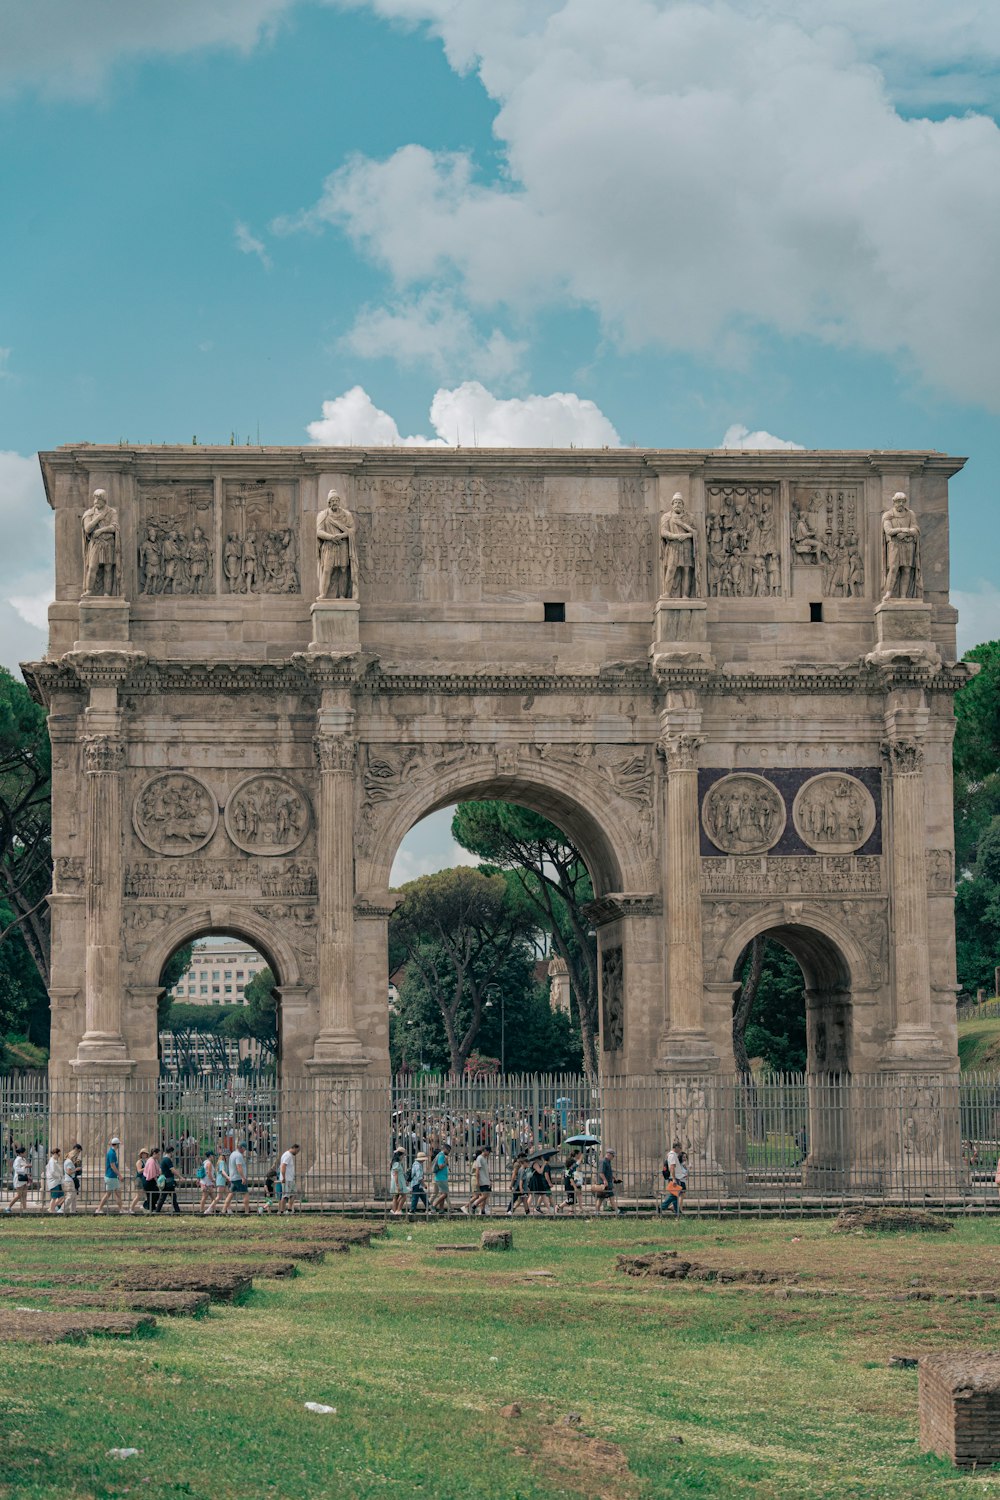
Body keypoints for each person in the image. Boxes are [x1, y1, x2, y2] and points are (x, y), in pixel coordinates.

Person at [94, 1136, 123, 1215]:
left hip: (110, 1176)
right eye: (118, 1144)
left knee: (115, 1193)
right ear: (116, 1145)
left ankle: (121, 1209)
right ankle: (99, 1209)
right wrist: (120, 1175)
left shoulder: (111, 1152)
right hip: (112, 1176)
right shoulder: (112, 1153)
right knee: (112, 1194)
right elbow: (112, 1166)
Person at [223, 1140, 250, 1215]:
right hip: (239, 1178)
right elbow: (239, 1167)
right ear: (242, 1148)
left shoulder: (232, 1154)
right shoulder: (238, 1155)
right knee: (245, 1193)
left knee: (231, 1194)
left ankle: (223, 1210)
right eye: (244, 1149)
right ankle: (247, 1211)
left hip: (233, 1178)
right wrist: (243, 1177)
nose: (244, 1151)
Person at [154, 1145, 181, 1214]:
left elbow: (160, 1170)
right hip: (169, 1181)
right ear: (171, 1152)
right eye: (173, 1152)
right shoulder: (167, 1159)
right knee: (168, 1197)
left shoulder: (163, 1159)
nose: (173, 1154)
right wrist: (180, 1177)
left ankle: (177, 1211)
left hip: (167, 1181)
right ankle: (177, 1211)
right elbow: (172, 1170)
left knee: (169, 1197)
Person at [466, 1145, 492, 1215]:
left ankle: (482, 1210)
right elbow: (478, 1171)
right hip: (482, 1180)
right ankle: (474, 1205)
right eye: (489, 1152)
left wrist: (489, 1180)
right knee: (484, 1196)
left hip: (486, 1180)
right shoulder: (480, 1158)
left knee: (486, 1196)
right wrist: (478, 1181)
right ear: (485, 1151)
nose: (489, 1154)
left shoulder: (484, 1158)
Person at [3, 1145, 30, 1213]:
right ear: (21, 1153)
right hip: (19, 1179)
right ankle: (8, 1207)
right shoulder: (17, 1160)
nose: (25, 1153)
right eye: (24, 1152)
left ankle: (24, 1210)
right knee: (19, 1195)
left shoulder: (23, 1159)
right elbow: (17, 1170)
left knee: (24, 1195)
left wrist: (28, 1174)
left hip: (24, 1178)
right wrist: (25, 1166)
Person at [278, 1143, 300, 1213]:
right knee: (285, 1195)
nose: (297, 1152)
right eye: (297, 1150)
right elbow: (283, 1166)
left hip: (290, 1179)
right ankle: (282, 1211)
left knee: (293, 1193)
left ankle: (289, 1209)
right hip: (286, 1179)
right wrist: (283, 1177)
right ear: (294, 1148)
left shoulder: (289, 1155)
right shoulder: (287, 1155)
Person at [595, 1149, 619, 1213]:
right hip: (604, 1184)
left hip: (608, 1184)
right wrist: (605, 1181)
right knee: (603, 1198)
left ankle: (617, 1211)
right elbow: (601, 1173)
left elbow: (607, 1172)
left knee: (608, 1198)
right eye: (613, 1156)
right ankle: (597, 1211)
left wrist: (613, 1178)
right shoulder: (603, 1162)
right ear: (609, 1155)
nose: (613, 1157)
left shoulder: (608, 1162)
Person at [558, 1151, 581, 1215]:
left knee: (573, 1200)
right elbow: (571, 1180)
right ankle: (559, 1206)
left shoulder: (566, 1170)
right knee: (570, 1200)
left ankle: (572, 1211)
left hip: (568, 1186)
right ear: (571, 1165)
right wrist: (575, 1187)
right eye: (573, 1164)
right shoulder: (569, 1171)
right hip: (570, 1187)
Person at [430, 1144, 450, 1214]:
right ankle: (434, 1205)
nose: (449, 1152)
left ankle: (441, 1209)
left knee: (442, 1194)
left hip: (441, 1177)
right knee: (445, 1194)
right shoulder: (441, 1155)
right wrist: (446, 1162)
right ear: (445, 1149)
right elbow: (440, 1166)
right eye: (448, 1150)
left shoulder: (440, 1155)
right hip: (441, 1178)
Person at [129, 1149, 150, 1214]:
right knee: (138, 1196)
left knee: (147, 1195)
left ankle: (145, 1207)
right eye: (142, 1153)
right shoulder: (139, 1161)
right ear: (141, 1155)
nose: (144, 1155)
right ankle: (131, 1208)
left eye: (145, 1153)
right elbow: (139, 1170)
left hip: (144, 1179)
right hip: (139, 1179)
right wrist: (146, 1167)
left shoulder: (146, 1161)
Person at [45, 1147, 64, 1215]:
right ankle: (51, 1209)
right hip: (54, 1182)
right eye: (58, 1155)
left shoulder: (54, 1161)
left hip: (57, 1181)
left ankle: (52, 1208)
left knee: (61, 1196)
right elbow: (52, 1172)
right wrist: (59, 1176)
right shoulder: (52, 1161)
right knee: (54, 1197)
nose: (59, 1156)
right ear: (55, 1154)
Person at [61, 1147, 80, 1215]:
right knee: (70, 1196)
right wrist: (76, 1169)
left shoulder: (67, 1161)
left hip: (69, 1180)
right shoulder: (69, 1162)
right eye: (76, 1156)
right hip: (69, 1181)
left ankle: (73, 1210)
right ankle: (62, 1209)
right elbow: (69, 1172)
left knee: (74, 1196)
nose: (76, 1157)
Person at [196, 1150, 216, 1215]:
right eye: (213, 1156)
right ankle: (202, 1210)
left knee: (213, 1198)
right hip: (207, 1183)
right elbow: (209, 1173)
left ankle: (210, 1210)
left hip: (205, 1182)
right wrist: (213, 1180)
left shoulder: (204, 1162)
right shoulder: (209, 1163)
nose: (213, 1157)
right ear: (210, 1156)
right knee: (205, 1197)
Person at [142, 1147, 161, 1214]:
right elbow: (152, 1173)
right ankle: (147, 1207)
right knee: (153, 1194)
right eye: (158, 1154)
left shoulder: (154, 1160)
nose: (159, 1156)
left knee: (155, 1194)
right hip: (149, 1180)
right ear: (154, 1153)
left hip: (151, 1179)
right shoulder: (151, 1161)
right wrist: (157, 1180)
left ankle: (151, 1208)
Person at [389, 1147, 407, 1215]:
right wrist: (397, 1185)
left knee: (395, 1196)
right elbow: (396, 1174)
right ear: (400, 1155)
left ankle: (394, 1210)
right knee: (403, 1196)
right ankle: (398, 1210)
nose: (403, 1157)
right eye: (402, 1156)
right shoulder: (396, 1164)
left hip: (396, 1182)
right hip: (398, 1182)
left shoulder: (394, 1163)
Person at [213, 1143, 230, 1210]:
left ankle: (228, 1210)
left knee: (228, 1196)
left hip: (223, 1181)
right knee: (218, 1197)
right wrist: (228, 1177)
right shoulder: (222, 1162)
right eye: (227, 1155)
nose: (228, 1157)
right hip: (221, 1181)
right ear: (225, 1156)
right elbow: (222, 1171)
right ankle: (208, 1209)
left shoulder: (222, 1162)